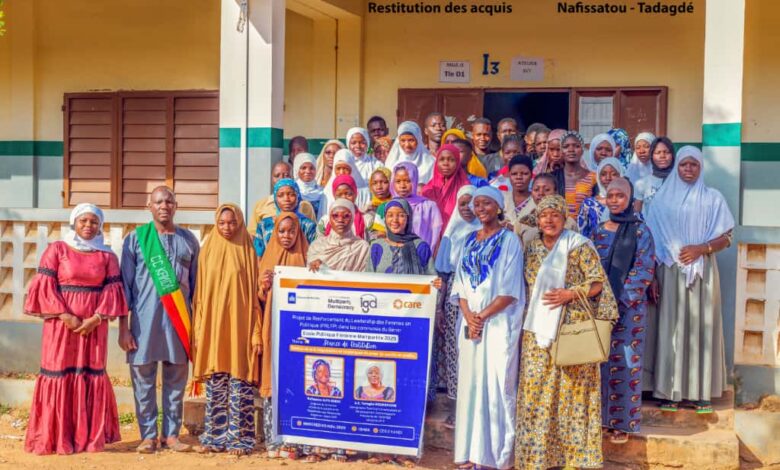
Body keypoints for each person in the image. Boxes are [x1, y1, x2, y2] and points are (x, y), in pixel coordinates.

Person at [516, 194, 618, 469]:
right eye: (543, 215)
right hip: (536, 328)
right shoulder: (531, 248)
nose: (549, 220)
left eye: (555, 215)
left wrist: (569, 294)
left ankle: (574, 458)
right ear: (538, 220)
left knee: (573, 393)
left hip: (571, 327)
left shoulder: (579, 245)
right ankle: (538, 458)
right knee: (536, 391)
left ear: (564, 219)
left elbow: (597, 283)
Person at [23, 204, 127, 455]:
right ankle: (55, 437)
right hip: (60, 326)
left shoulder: (107, 256)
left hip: (94, 327)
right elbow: (45, 286)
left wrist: (96, 318)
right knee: (58, 372)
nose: (89, 226)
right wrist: (64, 315)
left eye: (94, 222)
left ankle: (88, 438)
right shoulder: (56, 250)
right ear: (74, 222)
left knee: (90, 373)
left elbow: (113, 291)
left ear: (100, 226)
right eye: (83, 221)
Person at [645, 146, 734, 413]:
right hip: (668, 270)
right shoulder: (661, 201)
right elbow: (650, 240)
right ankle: (668, 392)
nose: (688, 169)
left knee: (700, 327)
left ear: (701, 167)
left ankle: (700, 393)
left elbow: (726, 237)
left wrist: (701, 248)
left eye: (694, 165)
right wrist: (652, 277)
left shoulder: (712, 198)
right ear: (677, 167)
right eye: (684, 164)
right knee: (670, 328)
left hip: (702, 272)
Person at [450, 185, 526, 470]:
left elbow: (510, 290)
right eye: (477, 204)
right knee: (470, 385)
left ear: (498, 207)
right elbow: (460, 285)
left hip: (497, 324)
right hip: (471, 324)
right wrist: (469, 316)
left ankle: (497, 456)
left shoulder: (509, 241)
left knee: (496, 386)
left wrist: (480, 317)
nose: (480, 208)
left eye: (486, 203)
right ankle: (470, 453)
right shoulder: (468, 240)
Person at [120, 186, 200, 453]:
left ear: (176, 206)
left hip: (179, 322)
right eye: (158, 202)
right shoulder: (136, 239)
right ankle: (148, 435)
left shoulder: (189, 240)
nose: (164, 206)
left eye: (169, 201)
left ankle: (171, 435)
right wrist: (123, 328)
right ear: (149, 206)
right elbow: (124, 287)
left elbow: (197, 287)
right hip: (143, 323)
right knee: (143, 380)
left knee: (176, 379)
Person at [192, 204, 261, 455]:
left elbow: (255, 296)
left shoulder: (247, 249)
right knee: (216, 381)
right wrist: (199, 328)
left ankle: (240, 439)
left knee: (239, 381)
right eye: (222, 223)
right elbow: (200, 294)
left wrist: (255, 331)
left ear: (239, 222)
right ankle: (214, 437)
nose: (227, 227)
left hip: (240, 326)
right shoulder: (208, 249)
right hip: (213, 326)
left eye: (232, 222)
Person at [592, 177, 656, 444]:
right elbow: (589, 267)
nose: (615, 200)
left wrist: (618, 302)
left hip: (629, 310)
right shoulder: (597, 231)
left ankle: (622, 424)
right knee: (599, 362)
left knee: (626, 362)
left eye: (620, 195)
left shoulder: (641, 232)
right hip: (598, 308)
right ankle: (600, 420)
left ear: (630, 199)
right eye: (610, 195)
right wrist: (599, 301)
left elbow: (643, 269)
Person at [257, 211, 309, 458]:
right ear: (275, 232)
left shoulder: (306, 256)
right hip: (273, 326)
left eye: (291, 231)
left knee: (297, 379)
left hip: (299, 329)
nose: (286, 236)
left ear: (298, 232)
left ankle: (295, 441)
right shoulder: (267, 257)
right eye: (281, 231)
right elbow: (258, 299)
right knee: (274, 378)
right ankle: (273, 440)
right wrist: (264, 286)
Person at [434, 186, 480, 420]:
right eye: (463, 203)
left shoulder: (488, 233)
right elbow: (443, 275)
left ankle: (478, 407)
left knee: (478, 348)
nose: (468, 208)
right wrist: (439, 308)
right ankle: (456, 408)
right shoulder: (450, 234)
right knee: (454, 349)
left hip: (480, 295)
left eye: (473, 203)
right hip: (454, 297)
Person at [366, 197, 437, 277]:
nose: (395, 220)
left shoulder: (421, 246)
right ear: (385, 219)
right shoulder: (376, 247)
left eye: (401, 215)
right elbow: (368, 278)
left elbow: (431, 278)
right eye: (390, 215)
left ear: (408, 218)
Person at [254, 178, 317, 257]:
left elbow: (316, 253)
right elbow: (258, 255)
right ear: (275, 199)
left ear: (298, 197)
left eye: (291, 194)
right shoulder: (264, 225)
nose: (286, 199)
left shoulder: (308, 225)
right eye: (281, 195)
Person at [390, 162, 443, 252]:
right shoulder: (390, 207)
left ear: (415, 181)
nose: (402, 186)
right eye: (398, 181)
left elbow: (436, 236)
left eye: (408, 181)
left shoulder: (429, 206)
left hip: (422, 255)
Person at [514, 173, 579, 247]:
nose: (541, 193)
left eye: (547, 190)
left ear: (556, 192)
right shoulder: (522, 222)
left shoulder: (569, 222)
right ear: (531, 192)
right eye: (536, 189)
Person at [308, 199, 371, 273]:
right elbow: (310, 274)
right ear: (329, 219)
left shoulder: (362, 247)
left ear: (353, 218)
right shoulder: (317, 246)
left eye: (346, 216)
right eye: (335, 216)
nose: (340, 220)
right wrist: (321, 267)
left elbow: (364, 276)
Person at [252, 161, 316, 231]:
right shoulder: (261, 205)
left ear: (293, 177)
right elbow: (253, 233)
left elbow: (312, 232)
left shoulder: (305, 205)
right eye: (277, 176)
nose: (281, 178)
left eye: (286, 175)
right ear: (271, 179)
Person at [422, 143, 470, 227]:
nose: (446, 163)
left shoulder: (466, 188)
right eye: (442, 159)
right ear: (436, 162)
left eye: (451, 160)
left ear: (457, 162)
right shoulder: (428, 189)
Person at [577, 157, 625, 239]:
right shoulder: (588, 204)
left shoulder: (628, 203)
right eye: (603, 174)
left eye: (613, 174)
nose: (608, 178)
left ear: (621, 175)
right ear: (598, 177)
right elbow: (581, 234)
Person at [318, 148, 371, 218]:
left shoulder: (364, 192)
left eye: (345, 168)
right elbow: (322, 218)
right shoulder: (327, 192)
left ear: (352, 168)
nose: (341, 172)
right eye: (338, 168)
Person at [556, 131, 597, 219]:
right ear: (561, 151)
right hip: (560, 226)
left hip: (586, 226)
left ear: (582, 150)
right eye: (566, 146)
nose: (571, 150)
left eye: (576, 146)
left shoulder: (593, 178)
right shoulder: (554, 177)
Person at [317, 174, 368, 240]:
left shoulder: (367, 220)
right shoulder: (325, 221)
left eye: (348, 194)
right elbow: (319, 244)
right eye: (339, 195)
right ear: (334, 196)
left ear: (355, 194)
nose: (344, 198)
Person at [634, 136, 675, 214]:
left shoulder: (680, 182)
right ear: (651, 156)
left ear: (672, 155)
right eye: (658, 152)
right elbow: (636, 213)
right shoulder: (641, 184)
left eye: (666, 152)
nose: (662, 156)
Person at [501, 155, 534, 231]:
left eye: (525, 174)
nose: (519, 177)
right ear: (509, 175)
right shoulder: (501, 198)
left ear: (531, 175)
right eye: (514, 174)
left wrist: (514, 230)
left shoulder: (538, 200)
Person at [366, 167, 393, 237]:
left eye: (384, 182)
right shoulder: (368, 209)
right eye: (374, 183)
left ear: (391, 183)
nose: (379, 187)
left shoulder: (397, 206)